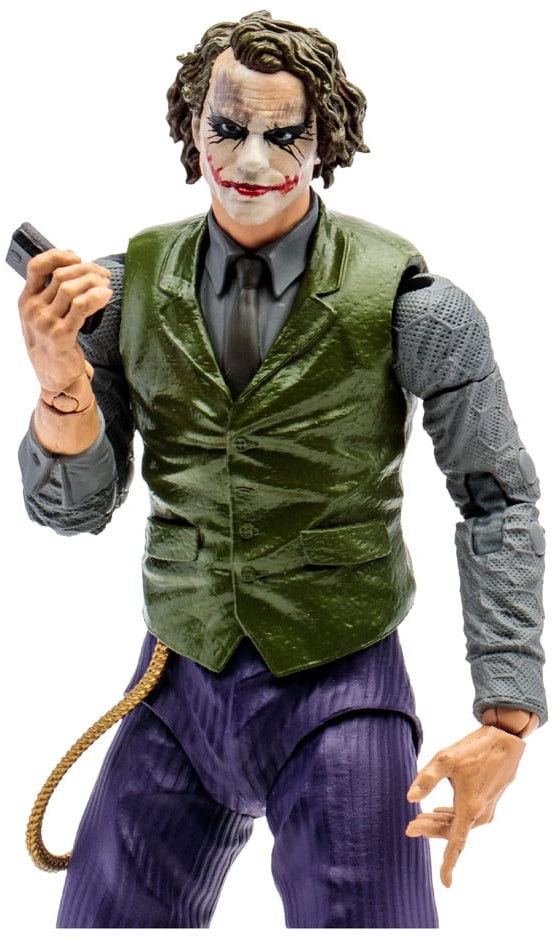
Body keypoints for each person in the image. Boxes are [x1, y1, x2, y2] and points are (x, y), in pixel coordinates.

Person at [16, 10, 546, 929]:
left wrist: (508, 713)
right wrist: (63, 388)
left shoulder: (413, 306)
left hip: (340, 688)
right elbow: (73, 510)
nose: (253, 160)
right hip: (176, 685)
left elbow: (495, 496)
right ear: (192, 127)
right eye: (227, 128)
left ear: (324, 138)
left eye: (284, 134)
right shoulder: (124, 293)